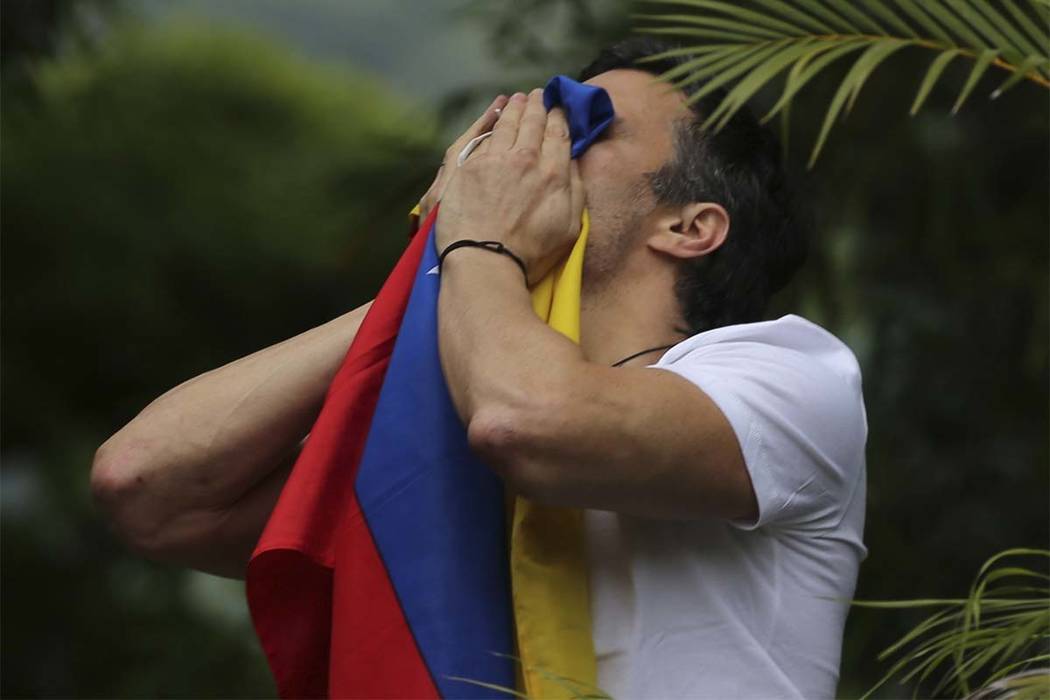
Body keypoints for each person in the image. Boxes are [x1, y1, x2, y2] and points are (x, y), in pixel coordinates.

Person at [92, 37, 867, 699]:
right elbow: (150, 490)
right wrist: (434, 269)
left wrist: (479, 247)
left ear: (690, 226)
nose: (528, 146)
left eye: (582, 126)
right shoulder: (453, 405)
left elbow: (528, 423)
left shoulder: (788, 376)